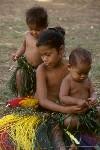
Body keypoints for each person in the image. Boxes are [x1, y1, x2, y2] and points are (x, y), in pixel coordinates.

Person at [36, 29, 89, 150]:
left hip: (68, 108)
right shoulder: (42, 70)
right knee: (55, 129)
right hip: (49, 111)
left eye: (48, 55)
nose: (44, 59)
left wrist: (85, 102)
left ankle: (79, 141)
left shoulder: (70, 67)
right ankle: (62, 148)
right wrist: (66, 109)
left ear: (60, 50)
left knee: (79, 120)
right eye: (42, 55)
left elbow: (81, 88)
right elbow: (43, 101)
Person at [9, 6, 48, 96]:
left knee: (40, 83)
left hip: (41, 68)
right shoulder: (27, 36)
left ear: (45, 27)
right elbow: (23, 46)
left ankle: (37, 95)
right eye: (31, 29)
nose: (34, 32)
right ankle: (20, 95)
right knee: (19, 74)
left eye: (38, 30)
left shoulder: (45, 38)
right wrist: (17, 55)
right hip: (27, 66)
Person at [59, 48, 99, 133]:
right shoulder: (67, 81)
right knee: (68, 121)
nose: (83, 76)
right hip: (73, 113)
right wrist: (77, 101)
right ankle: (87, 127)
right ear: (69, 67)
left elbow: (93, 92)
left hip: (88, 111)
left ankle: (93, 127)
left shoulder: (87, 80)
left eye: (86, 73)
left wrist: (93, 98)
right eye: (79, 73)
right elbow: (63, 97)